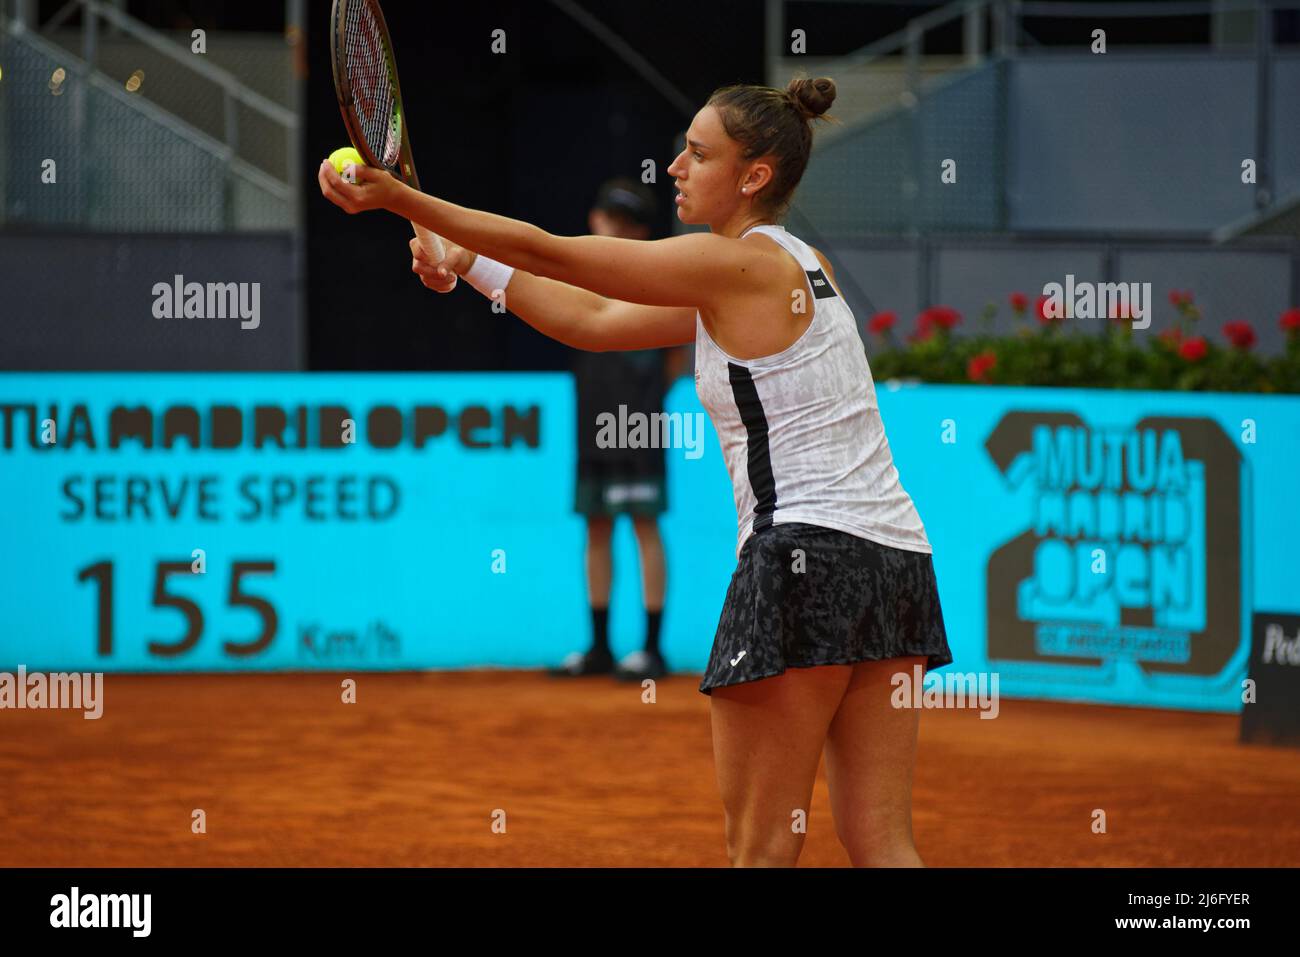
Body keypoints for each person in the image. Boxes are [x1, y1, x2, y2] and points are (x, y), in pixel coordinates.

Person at [319, 75, 954, 868]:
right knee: (882, 842)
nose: (675, 166)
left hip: (804, 564)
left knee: (760, 849)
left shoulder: (735, 267)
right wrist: (467, 262)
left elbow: (557, 255)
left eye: (697, 152)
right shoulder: (787, 267)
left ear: (753, 176)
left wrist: (405, 203)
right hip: (894, 565)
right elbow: (592, 320)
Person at [549, 177, 681, 682]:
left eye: (628, 223)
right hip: (591, 425)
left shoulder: (658, 279)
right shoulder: (577, 277)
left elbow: (675, 355)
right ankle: (599, 648)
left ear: (643, 231)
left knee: (644, 526)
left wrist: (646, 407)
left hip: (639, 427)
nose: (617, 230)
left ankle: (651, 650)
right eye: (611, 219)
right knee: (596, 527)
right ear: (594, 220)